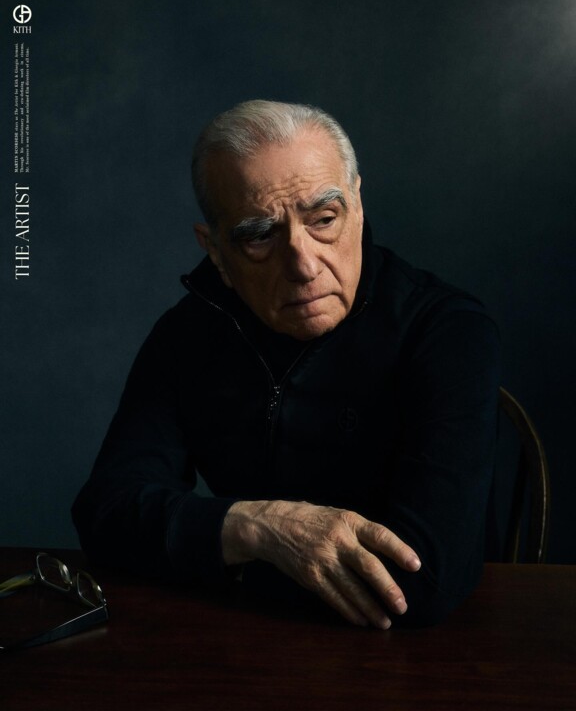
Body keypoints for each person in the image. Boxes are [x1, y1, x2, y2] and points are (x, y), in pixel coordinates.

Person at [72, 100, 501, 629]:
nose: (303, 264)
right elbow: (106, 514)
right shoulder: (188, 333)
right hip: (236, 650)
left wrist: (216, 558)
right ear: (215, 250)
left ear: (358, 205)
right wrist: (259, 528)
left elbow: (422, 580)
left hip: (430, 660)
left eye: (324, 220)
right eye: (260, 235)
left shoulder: (448, 330)